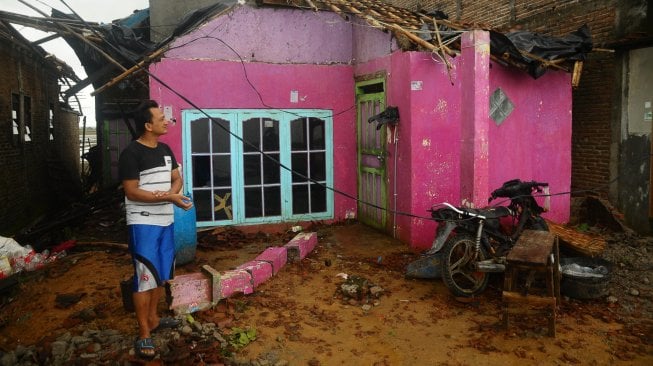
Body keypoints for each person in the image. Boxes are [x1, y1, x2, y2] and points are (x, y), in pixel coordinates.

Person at [118, 100, 193, 359]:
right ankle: (143, 333)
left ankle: (153, 319)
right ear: (148, 125)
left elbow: (177, 178)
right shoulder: (131, 153)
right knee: (144, 277)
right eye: (161, 118)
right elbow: (131, 191)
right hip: (143, 222)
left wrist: (172, 196)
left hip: (165, 220)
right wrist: (169, 198)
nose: (166, 121)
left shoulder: (165, 149)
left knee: (161, 274)